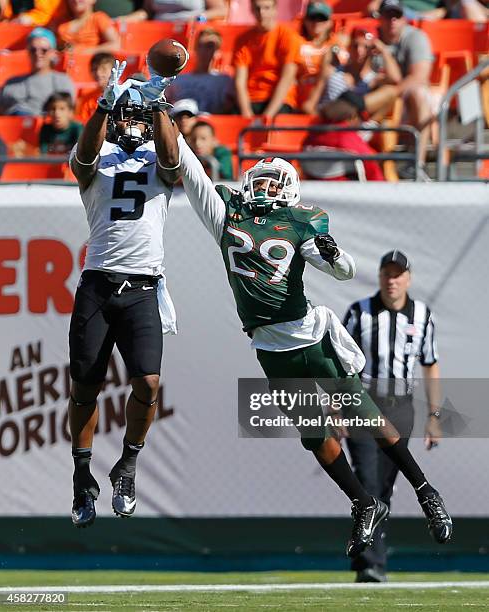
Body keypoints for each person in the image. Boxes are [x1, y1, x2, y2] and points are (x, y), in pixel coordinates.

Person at [177, 137, 452, 557]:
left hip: (310, 337)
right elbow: (192, 173)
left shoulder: (301, 219)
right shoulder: (227, 210)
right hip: (269, 347)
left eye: (274, 183)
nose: (266, 188)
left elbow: (344, 271)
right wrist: (168, 122)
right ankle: (364, 502)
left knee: (366, 415)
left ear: (288, 190)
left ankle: (426, 491)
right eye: (262, 180)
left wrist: (333, 252)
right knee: (314, 435)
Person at [68, 61, 180, 527]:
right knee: (85, 389)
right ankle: (81, 476)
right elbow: (83, 161)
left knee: (149, 383)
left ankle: (128, 464)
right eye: (126, 115)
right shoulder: (99, 152)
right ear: (115, 119)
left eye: (140, 116)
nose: (133, 122)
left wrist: (157, 107)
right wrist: (100, 107)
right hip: (98, 283)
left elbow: (173, 163)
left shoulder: (161, 157)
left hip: (143, 287)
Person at [344, 250, 443, 582]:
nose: (392, 280)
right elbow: (341, 363)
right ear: (380, 277)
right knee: (367, 481)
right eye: (387, 274)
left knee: (385, 486)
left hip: (401, 406)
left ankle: (374, 560)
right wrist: (336, 406)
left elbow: (430, 364)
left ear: (408, 279)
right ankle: (369, 565)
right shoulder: (360, 313)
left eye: (398, 274)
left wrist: (434, 415)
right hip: (364, 402)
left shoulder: (423, 315)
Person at [375, 0, 434, 176]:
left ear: (404, 19)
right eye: (387, 15)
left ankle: (418, 164)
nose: (392, 20)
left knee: (418, 94)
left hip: (404, 98)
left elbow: (419, 77)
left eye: (397, 16)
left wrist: (391, 93)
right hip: (380, 97)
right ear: (380, 18)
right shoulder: (371, 38)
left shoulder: (415, 37)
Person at [233, 0, 302, 119]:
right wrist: (246, 113)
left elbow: (287, 79)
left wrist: (267, 116)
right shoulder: (242, 40)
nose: (262, 13)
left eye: (267, 8)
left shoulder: (289, 37)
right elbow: (240, 81)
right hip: (251, 99)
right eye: (257, 8)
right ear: (252, 10)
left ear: (275, 10)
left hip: (279, 100)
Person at [301, 93, 388, 181]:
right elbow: (374, 173)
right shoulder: (347, 137)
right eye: (361, 119)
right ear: (353, 116)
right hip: (347, 191)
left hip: (312, 190)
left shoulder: (313, 134)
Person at [0, 27, 75, 116]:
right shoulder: (11, 83)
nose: (38, 54)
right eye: (33, 50)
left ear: (52, 53)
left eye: (44, 50)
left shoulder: (62, 82)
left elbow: (65, 117)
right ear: (28, 52)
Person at [165, 27, 235, 114]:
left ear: (217, 51)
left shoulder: (224, 81)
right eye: (200, 46)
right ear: (195, 48)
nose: (203, 50)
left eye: (209, 46)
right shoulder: (177, 79)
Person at [297, 1, 336, 111]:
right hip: (301, 94)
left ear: (330, 22)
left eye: (321, 18)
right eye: (312, 18)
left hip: (327, 97)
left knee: (329, 68)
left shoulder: (336, 44)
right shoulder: (296, 43)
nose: (317, 22)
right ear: (305, 21)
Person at [75, 52, 116, 124]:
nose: (98, 73)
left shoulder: (122, 95)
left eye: (103, 69)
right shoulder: (88, 99)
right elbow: (83, 123)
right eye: (94, 69)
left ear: (113, 70)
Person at [140, 0, 227, 22]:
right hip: (158, 32)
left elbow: (221, 10)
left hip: (191, 33)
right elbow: (147, 12)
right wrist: (126, 19)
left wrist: (199, 18)